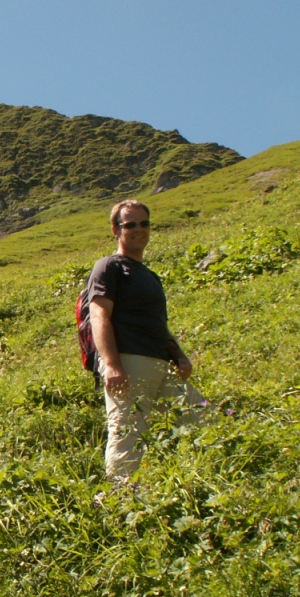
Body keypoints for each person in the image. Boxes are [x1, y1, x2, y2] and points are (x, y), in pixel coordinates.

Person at [86, 200, 206, 484]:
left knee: (201, 417)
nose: (139, 229)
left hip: (160, 364)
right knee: (127, 432)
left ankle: (200, 483)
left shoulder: (149, 275)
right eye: (130, 225)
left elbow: (157, 324)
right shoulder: (109, 266)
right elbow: (98, 316)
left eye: (144, 223)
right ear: (116, 230)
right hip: (129, 361)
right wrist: (112, 365)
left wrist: (179, 355)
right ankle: (119, 499)